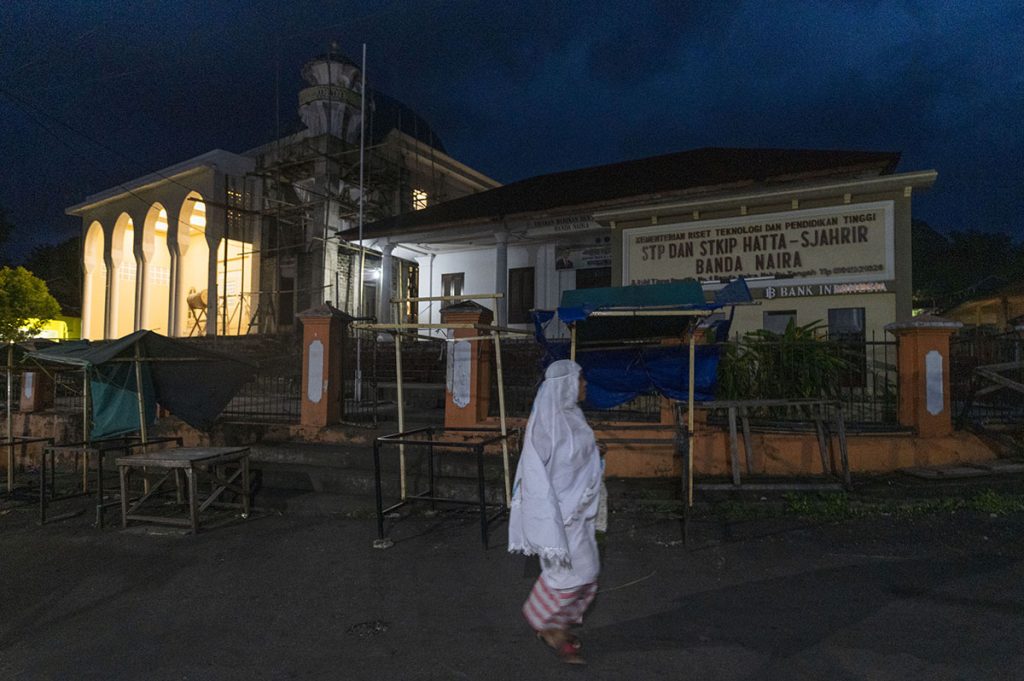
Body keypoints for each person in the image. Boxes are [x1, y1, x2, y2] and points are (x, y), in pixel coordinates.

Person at [508, 359, 604, 665]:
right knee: (567, 576)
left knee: (586, 572)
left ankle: (553, 626)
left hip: (580, 513)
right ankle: (549, 626)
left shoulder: (573, 416)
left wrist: (595, 457)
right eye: (580, 379)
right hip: (559, 517)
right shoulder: (546, 423)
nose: (585, 384)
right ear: (565, 385)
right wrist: (543, 519)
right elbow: (534, 471)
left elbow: (577, 455)